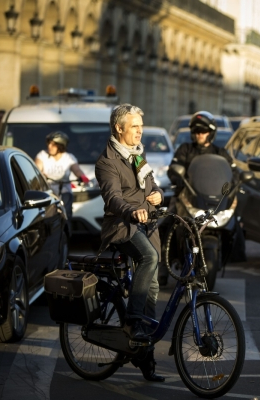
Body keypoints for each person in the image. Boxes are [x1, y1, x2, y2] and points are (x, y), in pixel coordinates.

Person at [95, 103, 165, 382]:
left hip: (147, 225)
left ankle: (143, 357)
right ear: (119, 128)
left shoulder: (137, 155)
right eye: (134, 126)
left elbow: (152, 185)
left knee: (153, 289)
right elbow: (113, 198)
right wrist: (131, 210)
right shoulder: (107, 161)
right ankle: (133, 322)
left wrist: (158, 194)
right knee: (149, 259)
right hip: (122, 226)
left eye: (141, 126)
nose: (140, 131)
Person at [159, 111, 242, 286]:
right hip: (187, 198)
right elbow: (174, 169)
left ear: (210, 133)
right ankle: (162, 268)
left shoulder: (221, 153)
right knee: (167, 223)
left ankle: (235, 254)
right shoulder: (185, 150)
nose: (199, 134)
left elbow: (233, 173)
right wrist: (177, 177)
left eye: (203, 131)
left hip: (214, 201)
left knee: (239, 223)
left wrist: (236, 183)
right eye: (196, 131)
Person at [35, 131, 89, 221]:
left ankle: (67, 228)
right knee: (47, 214)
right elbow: (38, 167)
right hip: (48, 190)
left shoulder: (68, 157)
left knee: (66, 212)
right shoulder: (42, 155)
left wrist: (82, 177)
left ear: (61, 146)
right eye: (49, 144)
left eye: (53, 145)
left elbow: (76, 170)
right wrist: (41, 173)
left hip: (64, 190)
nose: (49, 146)